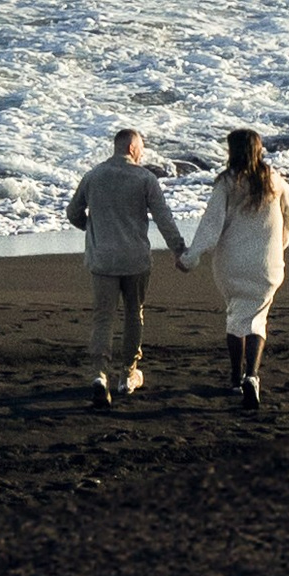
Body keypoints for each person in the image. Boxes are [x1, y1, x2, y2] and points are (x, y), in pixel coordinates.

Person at [180, 124, 289, 412]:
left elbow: (211, 227)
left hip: (232, 264)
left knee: (236, 316)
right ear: (258, 150)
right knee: (257, 319)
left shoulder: (226, 182)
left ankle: (236, 377)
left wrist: (190, 257)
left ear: (232, 151)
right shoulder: (273, 179)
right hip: (266, 265)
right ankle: (252, 375)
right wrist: (279, 244)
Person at [66, 123, 187, 407]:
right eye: (141, 148)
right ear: (133, 148)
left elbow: (73, 212)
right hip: (135, 260)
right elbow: (163, 218)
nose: (143, 153)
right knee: (134, 314)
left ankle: (99, 376)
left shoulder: (93, 176)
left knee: (103, 318)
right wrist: (179, 249)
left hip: (103, 258)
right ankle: (127, 375)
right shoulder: (144, 178)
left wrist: (93, 230)